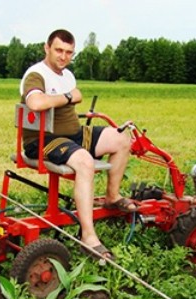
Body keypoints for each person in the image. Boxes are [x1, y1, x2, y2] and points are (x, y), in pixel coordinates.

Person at [19, 28, 137, 261]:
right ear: (47, 48)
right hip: (44, 140)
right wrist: (70, 96)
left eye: (69, 52)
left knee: (123, 137)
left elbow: (66, 104)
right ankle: (89, 237)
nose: (63, 56)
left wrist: (71, 96)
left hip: (74, 134)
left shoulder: (68, 75)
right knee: (84, 160)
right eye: (59, 50)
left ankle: (112, 196)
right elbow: (35, 102)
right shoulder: (36, 74)